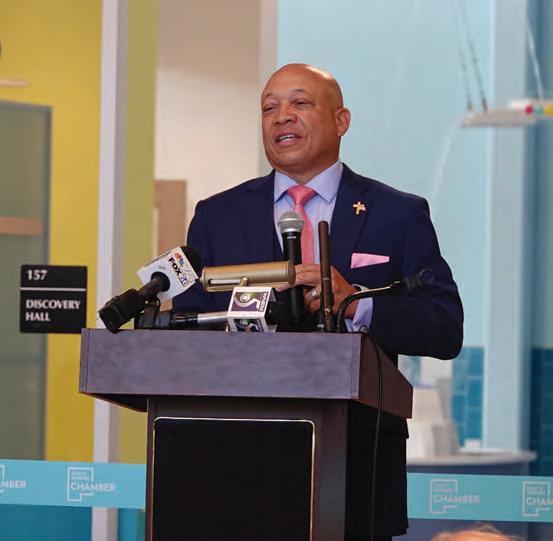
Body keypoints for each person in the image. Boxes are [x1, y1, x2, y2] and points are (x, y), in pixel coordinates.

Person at [173, 63, 463, 540]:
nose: (281, 116)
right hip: (233, 465)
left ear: (341, 121)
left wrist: (356, 304)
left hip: (356, 466)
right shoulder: (217, 216)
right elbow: (188, 328)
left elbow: (445, 327)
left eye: (300, 103)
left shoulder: (397, 214)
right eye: (269, 107)